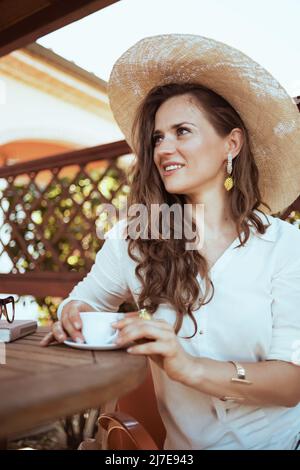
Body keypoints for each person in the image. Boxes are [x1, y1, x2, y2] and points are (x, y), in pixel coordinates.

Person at [40, 34, 300, 450]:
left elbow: (292, 383)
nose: (164, 149)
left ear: (230, 144)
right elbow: (86, 299)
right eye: (158, 137)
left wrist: (188, 366)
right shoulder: (137, 238)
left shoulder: (285, 245)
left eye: (182, 131)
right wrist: (75, 313)